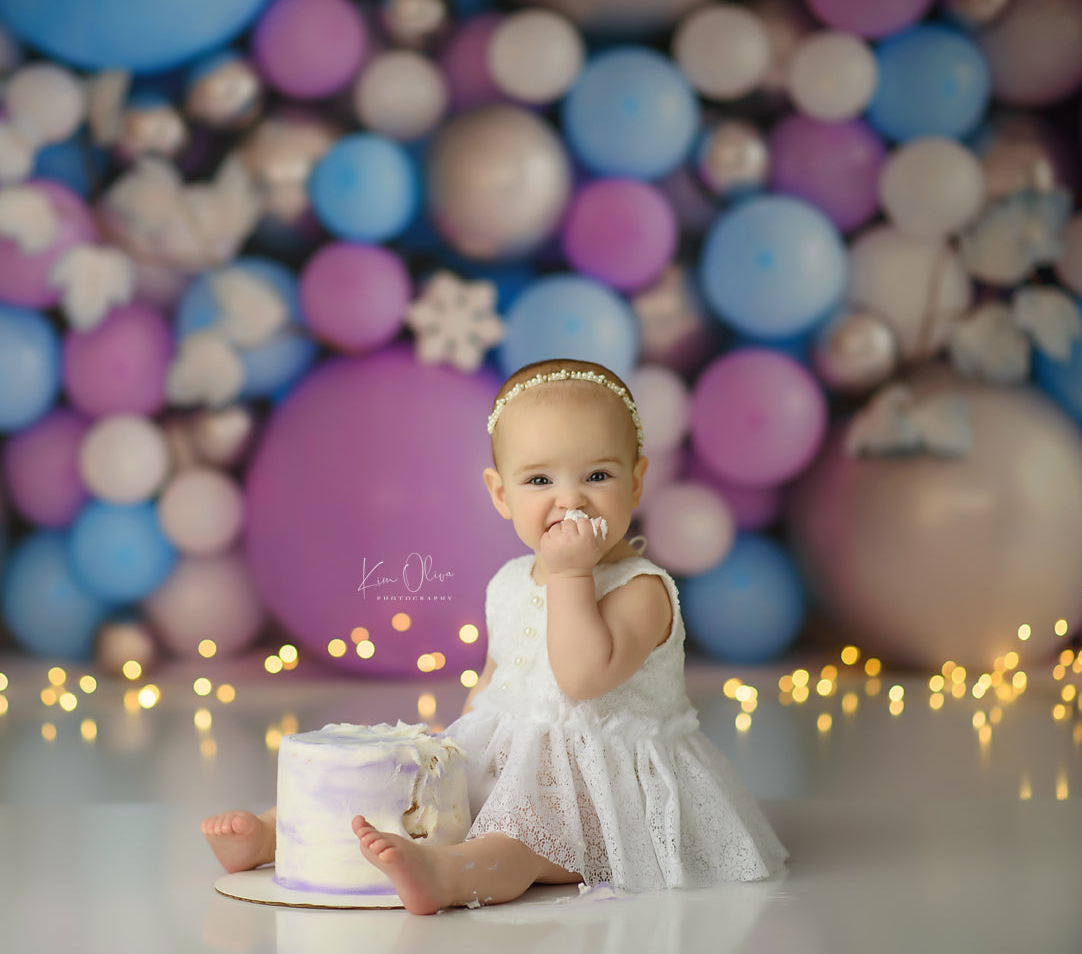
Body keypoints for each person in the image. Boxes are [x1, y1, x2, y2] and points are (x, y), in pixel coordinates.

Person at [203, 358, 788, 913]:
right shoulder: (508, 581)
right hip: (511, 752)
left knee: (522, 841)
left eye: (598, 475)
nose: (570, 498)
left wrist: (570, 574)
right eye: (539, 479)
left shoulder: (642, 589)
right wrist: (459, 753)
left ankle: (451, 876)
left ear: (636, 483)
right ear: (501, 493)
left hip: (598, 784)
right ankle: (280, 832)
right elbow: (495, 676)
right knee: (408, 789)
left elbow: (581, 680)